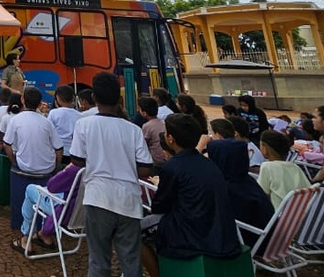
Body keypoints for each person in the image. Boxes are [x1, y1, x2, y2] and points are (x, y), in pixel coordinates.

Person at [70, 72, 152, 277]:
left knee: (99, 260)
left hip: (98, 198)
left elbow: (77, 160)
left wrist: (98, 160)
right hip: (129, 200)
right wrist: (123, 165)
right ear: (119, 99)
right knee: (131, 261)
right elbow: (145, 169)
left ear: (94, 98)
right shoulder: (133, 130)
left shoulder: (84, 124)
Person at [139, 114, 241, 277]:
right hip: (218, 228)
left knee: (134, 232)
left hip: (191, 232)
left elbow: (160, 206)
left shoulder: (172, 166)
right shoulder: (208, 162)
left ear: (170, 139)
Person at [14, 162, 83, 255]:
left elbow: (51, 186)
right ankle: (44, 234)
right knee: (48, 192)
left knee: (30, 189)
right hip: (82, 214)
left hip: (64, 213)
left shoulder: (74, 170)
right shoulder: (96, 170)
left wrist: (66, 170)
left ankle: (26, 238)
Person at [3, 87, 62, 177]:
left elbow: (6, 145)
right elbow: (59, 149)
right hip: (47, 169)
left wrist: (14, 163)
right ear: (40, 104)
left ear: (22, 100)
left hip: (24, 167)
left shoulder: (15, 120)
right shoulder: (47, 122)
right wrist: (56, 168)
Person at [257, 131, 312, 209]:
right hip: (298, 212)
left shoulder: (267, 166)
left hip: (278, 213)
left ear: (264, 149)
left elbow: (261, 194)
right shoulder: (295, 167)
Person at [48, 85, 81, 158]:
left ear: (58, 98)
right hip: (74, 152)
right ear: (73, 98)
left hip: (58, 152)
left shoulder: (53, 113)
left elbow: (49, 132)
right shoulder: (79, 115)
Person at [137, 98, 166, 171]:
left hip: (156, 161)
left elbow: (144, 144)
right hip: (165, 157)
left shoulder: (147, 126)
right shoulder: (163, 122)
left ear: (144, 113)